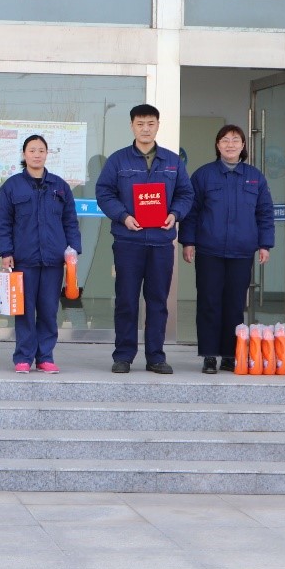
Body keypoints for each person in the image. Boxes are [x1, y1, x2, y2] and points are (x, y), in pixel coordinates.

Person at [95, 104, 194, 375]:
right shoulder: (118, 160)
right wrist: (123, 216)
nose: (145, 129)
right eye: (140, 124)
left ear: (158, 125)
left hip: (161, 242)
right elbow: (104, 192)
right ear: (132, 126)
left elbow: (186, 194)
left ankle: (156, 357)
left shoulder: (173, 161)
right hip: (128, 240)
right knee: (126, 300)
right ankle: (123, 356)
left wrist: (175, 214)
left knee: (158, 302)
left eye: (150, 123)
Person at [180, 125, 275, 374]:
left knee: (234, 305)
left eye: (235, 140)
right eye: (225, 140)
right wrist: (188, 242)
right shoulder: (203, 175)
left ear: (243, 145)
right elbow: (191, 212)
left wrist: (264, 244)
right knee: (209, 303)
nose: (230, 144)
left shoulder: (255, 177)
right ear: (217, 145)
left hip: (242, 252)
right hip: (209, 250)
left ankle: (231, 355)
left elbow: (265, 213)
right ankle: (209, 355)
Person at [0, 134, 81, 374]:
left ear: (47, 154)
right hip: (24, 260)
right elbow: (2, 222)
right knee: (23, 310)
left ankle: (45, 357)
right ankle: (23, 357)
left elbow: (70, 221)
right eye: (32, 150)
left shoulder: (60, 186)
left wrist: (73, 250)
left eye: (41, 150)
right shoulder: (12, 186)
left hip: (53, 260)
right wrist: (5, 252)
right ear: (24, 154)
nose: (37, 155)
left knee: (49, 310)